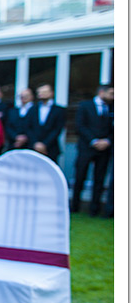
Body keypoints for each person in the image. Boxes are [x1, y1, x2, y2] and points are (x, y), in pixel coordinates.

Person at [72, 83, 113, 216]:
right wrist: (94, 141)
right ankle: (75, 206)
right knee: (80, 177)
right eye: (111, 93)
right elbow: (80, 126)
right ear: (101, 92)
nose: (114, 97)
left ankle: (94, 209)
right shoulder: (85, 106)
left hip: (104, 149)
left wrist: (108, 141)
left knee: (99, 179)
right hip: (86, 147)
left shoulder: (113, 107)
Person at [26, 84, 65, 163]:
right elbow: (28, 127)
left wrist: (45, 144)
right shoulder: (32, 109)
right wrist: (35, 143)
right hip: (33, 147)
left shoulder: (59, 110)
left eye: (44, 92)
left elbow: (57, 129)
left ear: (51, 93)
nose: (41, 94)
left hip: (51, 148)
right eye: (39, 92)